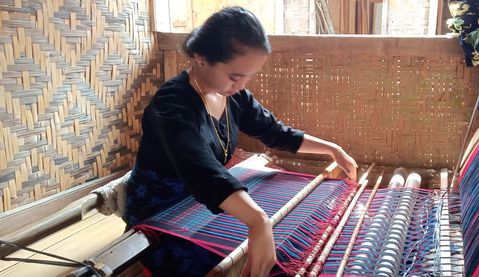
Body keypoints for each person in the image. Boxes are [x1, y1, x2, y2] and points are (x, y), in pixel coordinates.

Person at [122, 6, 358, 276]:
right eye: (235, 76)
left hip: (210, 197)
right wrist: (258, 222)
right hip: (164, 210)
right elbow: (202, 172)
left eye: (248, 76)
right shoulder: (172, 105)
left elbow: (274, 132)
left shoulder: (234, 96)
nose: (242, 85)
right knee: (274, 261)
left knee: (291, 243)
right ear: (201, 58)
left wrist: (332, 150)